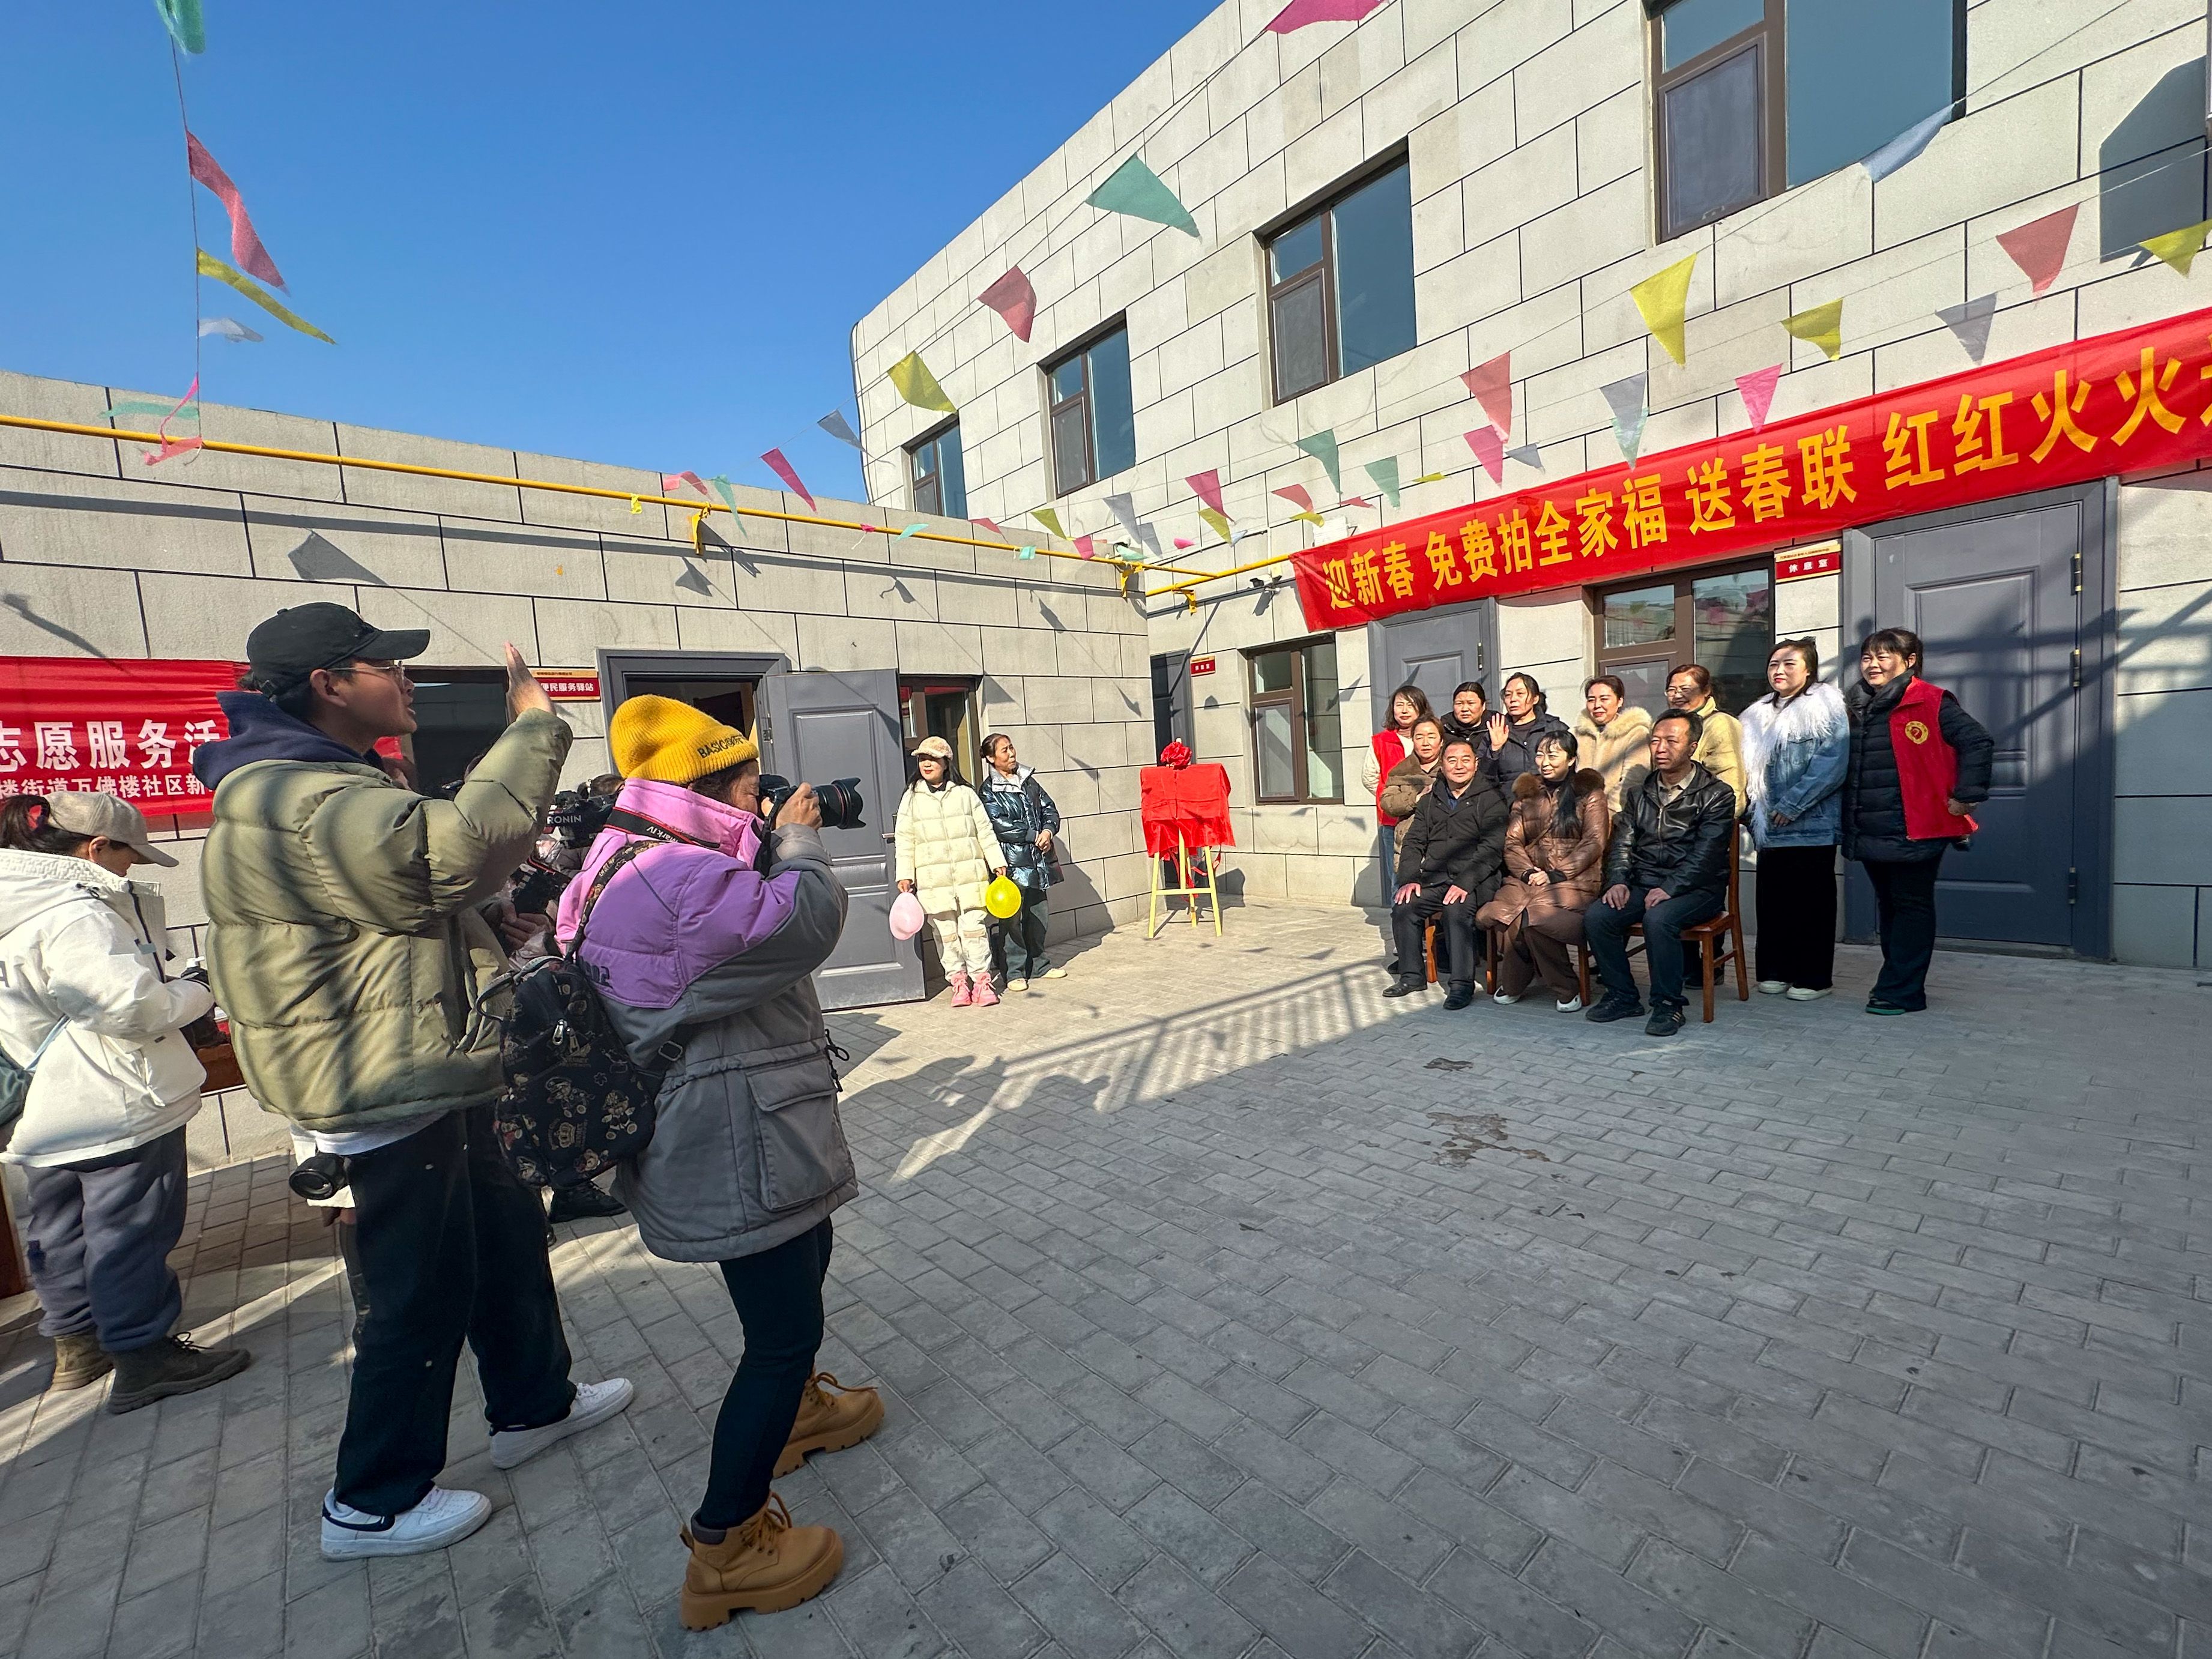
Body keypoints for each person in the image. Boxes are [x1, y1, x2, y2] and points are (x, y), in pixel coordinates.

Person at [193, 603, 632, 1559]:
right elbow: (451, 851)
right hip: (385, 1077)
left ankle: (535, 1403)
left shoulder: (322, 780)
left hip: (436, 1060)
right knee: (417, 1291)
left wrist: (483, 927)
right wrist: (533, 725)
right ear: (329, 684)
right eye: (385, 664)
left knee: (506, 1241)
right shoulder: (303, 792)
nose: (405, 679)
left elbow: (397, 912)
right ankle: (372, 1500)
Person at [555, 696, 879, 1629]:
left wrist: (761, 835)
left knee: (800, 1275)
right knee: (780, 1335)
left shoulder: (633, 855)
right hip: (737, 1135)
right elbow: (804, 922)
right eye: (746, 783)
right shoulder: (675, 876)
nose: (758, 797)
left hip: (743, 1121)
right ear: (704, 784)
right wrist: (800, 838)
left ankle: (800, 1412)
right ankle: (726, 1544)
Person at [0, 793, 252, 1412]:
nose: (130, 868)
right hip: (113, 1101)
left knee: (58, 1231)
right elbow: (132, 1008)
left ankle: (78, 1347)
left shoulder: (13, 903)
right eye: (127, 855)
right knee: (130, 1231)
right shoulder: (72, 913)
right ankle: (144, 1355)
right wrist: (197, 990)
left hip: (40, 1112)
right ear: (95, 848)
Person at [1842, 627, 1994, 1015]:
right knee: (1891, 906)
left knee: (1911, 905)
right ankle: (1899, 981)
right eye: (1867, 657)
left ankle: (1902, 991)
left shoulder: (1930, 700)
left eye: (1883, 657)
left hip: (1917, 824)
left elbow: (1977, 741)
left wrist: (1967, 795)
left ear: (1909, 662)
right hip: (1871, 825)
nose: (1872, 665)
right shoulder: (1856, 704)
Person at [1583, 709, 1738, 1038]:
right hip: (1645, 883)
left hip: (1697, 889)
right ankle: (1623, 996)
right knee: (1598, 916)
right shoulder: (1640, 793)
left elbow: (1707, 854)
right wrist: (1618, 882)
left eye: (1671, 741)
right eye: (1655, 741)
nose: (1661, 748)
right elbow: (1623, 844)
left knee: (1659, 919)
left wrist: (1671, 887)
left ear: (1692, 747)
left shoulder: (1716, 794)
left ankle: (1668, 1004)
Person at [1740, 638, 1849, 1001]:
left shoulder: (1825, 707)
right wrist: (1751, 813)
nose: (1780, 671)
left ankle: (1814, 978)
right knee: (1773, 904)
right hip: (1769, 829)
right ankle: (1775, 971)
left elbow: (1832, 764)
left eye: (1789, 664)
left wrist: (1792, 805)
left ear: (1809, 670)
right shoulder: (1755, 714)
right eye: (1774, 664)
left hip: (1811, 825)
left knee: (1811, 906)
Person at [1478, 733, 1607, 1013]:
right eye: (1540, 755)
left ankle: (1559, 985)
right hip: (1528, 878)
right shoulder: (1527, 794)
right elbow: (1513, 842)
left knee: (1535, 917)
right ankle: (1527, 979)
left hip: (1575, 880)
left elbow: (1594, 842)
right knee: (1504, 912)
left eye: (1553, 755)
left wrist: (1556, 874)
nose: (1545, 762)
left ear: (1571, 760)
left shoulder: (1590, 794)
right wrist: (1526, 873)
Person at [1385, 737, 1509, 1009]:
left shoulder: (1491, 798)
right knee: (1404, 906)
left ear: (1476, 764)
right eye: (1452, 760)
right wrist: (1409, 879)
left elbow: (1492, 848)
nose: (1459, 766)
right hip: (1436, 878)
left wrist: (1465, 882)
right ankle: (1412, 976)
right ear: (1442, 765)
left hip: (1475, 881)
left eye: (1466, 760)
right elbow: (1414, 842)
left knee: (1456, 911)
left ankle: (1461, 985)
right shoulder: (1431, 800)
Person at [893, 736, 1008, 1008]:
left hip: (971, 878)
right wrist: (905, 875)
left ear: (946, 763)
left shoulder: (966, 794)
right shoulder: (911, 798)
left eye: (932, 759)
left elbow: (985, 831)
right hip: (934, 882)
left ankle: (982, 982)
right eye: (922, 759)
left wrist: (997, 862)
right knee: (945, 935)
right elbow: (905, 839)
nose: (926, 764)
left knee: (974, 931)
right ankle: (958, 982)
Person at [978, 733, 1066, 993]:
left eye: (1011, 747)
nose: (1011, 753)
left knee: (1038, 915)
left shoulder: (1029, 780)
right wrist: (1033, 835)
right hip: (1012, 864)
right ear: (991, 758)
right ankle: (1014, 972)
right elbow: (1000, 825)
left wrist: (1048, 831)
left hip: (1038, 861)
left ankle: (1039, 965)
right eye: (1004, 750)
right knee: (1012, 921)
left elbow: (1050, 809)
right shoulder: (989, 791)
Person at [1664, 665, 1746, 811]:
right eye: (1672, 690)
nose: (1677, 696)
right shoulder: (1665, 726)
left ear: (1706, 691)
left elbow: (1731, 782)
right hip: (1668, 816)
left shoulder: (1720, 724)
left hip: (1702, 818)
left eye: (1685, 689)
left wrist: (1722, 818)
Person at [1572, 675, 1653, 811]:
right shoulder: (1576, 734)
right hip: (1575, 813)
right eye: (1591, 700)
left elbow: (1633, 779)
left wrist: (1609, 812)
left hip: (1616, 813)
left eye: (1604, 699)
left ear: (1620, 701)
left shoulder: (1636, 733)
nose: (1597, 705)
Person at [1360, 683, 1433, 828]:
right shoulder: (1381, 741)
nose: (1404, 710)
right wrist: (1392, 799)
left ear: (1421, 708)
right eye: (1400, 705)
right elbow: (1369, 778)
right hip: (1393, 819)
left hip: (1428, 815)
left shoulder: (1433, 737)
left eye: (1411, 705)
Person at [1482, 672, 1573, 787]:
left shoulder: (1554, 728)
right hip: (1508, 796)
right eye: (1508, 695)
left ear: (1535, 699)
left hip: (1550, 793)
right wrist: (1494, 750)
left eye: (1520, 694)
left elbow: (1571, 766)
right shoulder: (1496, 730)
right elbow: (1483, 775)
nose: (1513, 699)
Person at [1378, 716, 1446, 860]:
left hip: (1445, 846)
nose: (1425, 743)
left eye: (1431, 737)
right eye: (1419, 737)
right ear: (1413, 741)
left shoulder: (1452, 768)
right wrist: (1416, 798)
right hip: (1409, 847)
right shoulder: (1401, 770)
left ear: (1441, 741)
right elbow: (1387, 803)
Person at [1439, 681, 1488, 753]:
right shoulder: (1443, 728)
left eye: (1471, 703)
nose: (1465, 709)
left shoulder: (1496, 727)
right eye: (1459, 704)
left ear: (1483, 706)